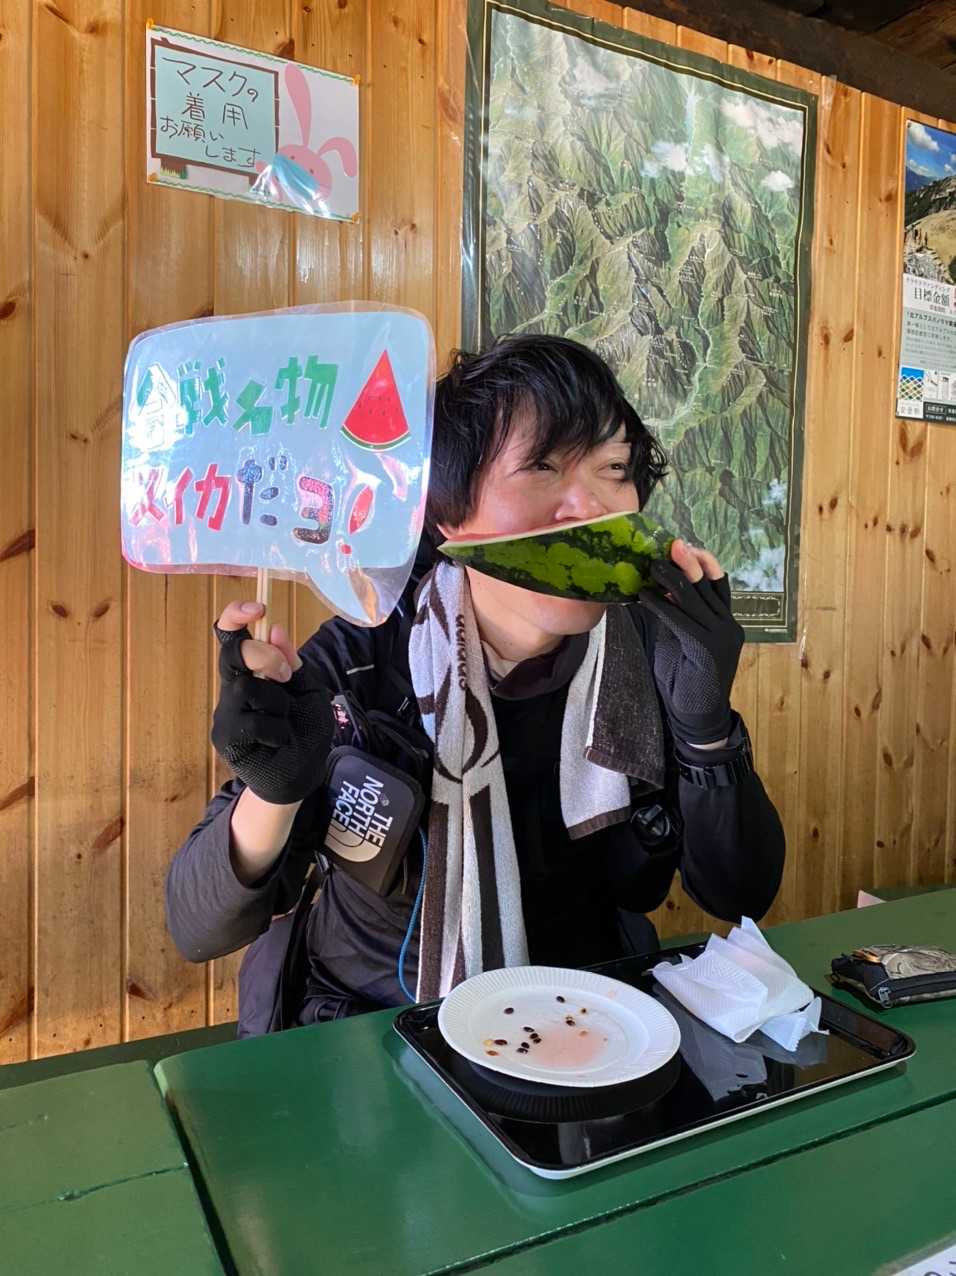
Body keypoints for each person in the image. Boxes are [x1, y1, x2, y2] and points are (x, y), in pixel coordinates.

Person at [166, 335, 785, 1036]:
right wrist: (273, 789)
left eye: (614, 468)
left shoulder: (653, 653)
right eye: (542, 465)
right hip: (374, 1025)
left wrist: (707, 726)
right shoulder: (364, 658)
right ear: (448, 514)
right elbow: (196, 927)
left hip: (586, 1024)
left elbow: (740, 894)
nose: (590, 507)